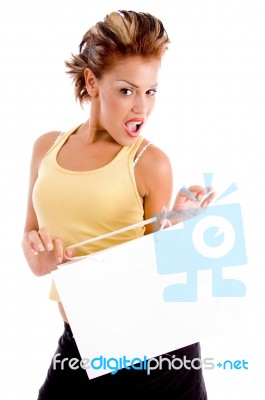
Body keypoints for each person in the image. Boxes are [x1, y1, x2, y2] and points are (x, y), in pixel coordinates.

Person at [21, 10, 215, 399]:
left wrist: (176, 222)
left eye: (151, 91)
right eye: (127, 90)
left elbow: (159, 269)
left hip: (154, 354)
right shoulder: (46, 148)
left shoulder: (149, 163)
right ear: (92, 82)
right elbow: (31, 237)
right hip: (80, 345)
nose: (141, 107)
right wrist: (40, 263)